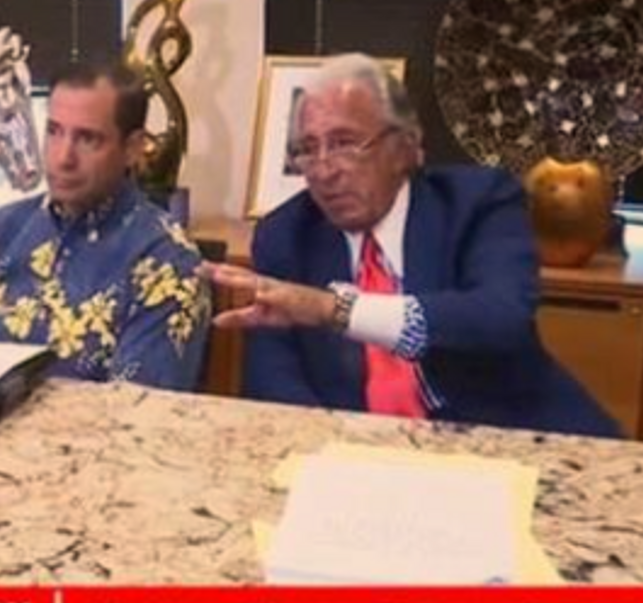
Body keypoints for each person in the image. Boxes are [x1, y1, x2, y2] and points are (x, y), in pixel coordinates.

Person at [203, 53, 617, 436]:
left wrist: (336, 309)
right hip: (356, 456)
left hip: (510, 439)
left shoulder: (478, 203)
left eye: (345, 143)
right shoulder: (286, 234)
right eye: (308, 150)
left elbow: (502, 317)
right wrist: (337, 452)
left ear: (407, 147)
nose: (324, 171)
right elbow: (273, 380)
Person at [0, 63, 210, 391]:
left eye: (87, 139)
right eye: (54, 131)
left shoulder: (168, 264)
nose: (63, 157)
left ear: (133, 149)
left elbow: (137, 410)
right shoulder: (2, 231)